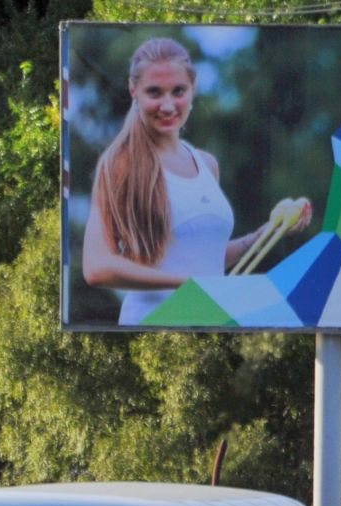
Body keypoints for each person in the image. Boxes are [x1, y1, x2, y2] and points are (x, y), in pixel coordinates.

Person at [82, 38, 314, 325]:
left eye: (178, 91)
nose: (168, 105)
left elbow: (204, 256)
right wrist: (187, 284)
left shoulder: (206, 164)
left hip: (208, 328)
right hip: (151, 329)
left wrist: (264, 234)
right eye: (154, 92)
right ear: (134, 91)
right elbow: (97, 267)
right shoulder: (121, 164)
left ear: (192, 89)